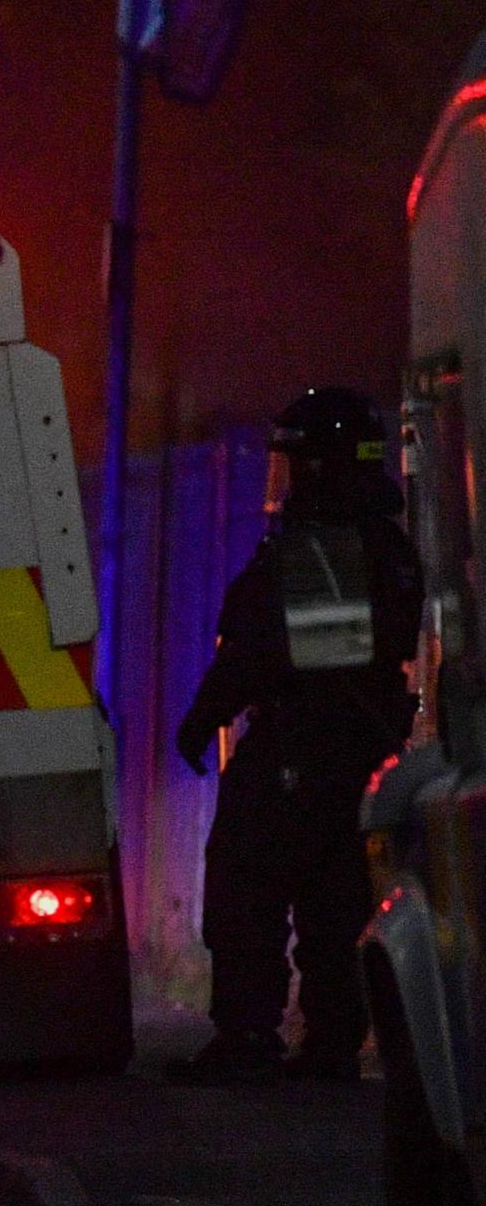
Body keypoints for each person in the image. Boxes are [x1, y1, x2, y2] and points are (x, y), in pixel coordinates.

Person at [174, 383, 424, 1083]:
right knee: (335, 900)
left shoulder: (320, 550)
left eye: (295, 459)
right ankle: (332, 1042)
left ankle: (249, 1036)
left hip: (301, 749)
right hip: (361, 751)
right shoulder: (388, 546)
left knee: (245, 888)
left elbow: (260, 648)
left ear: (322, 463)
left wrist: (204, 718)